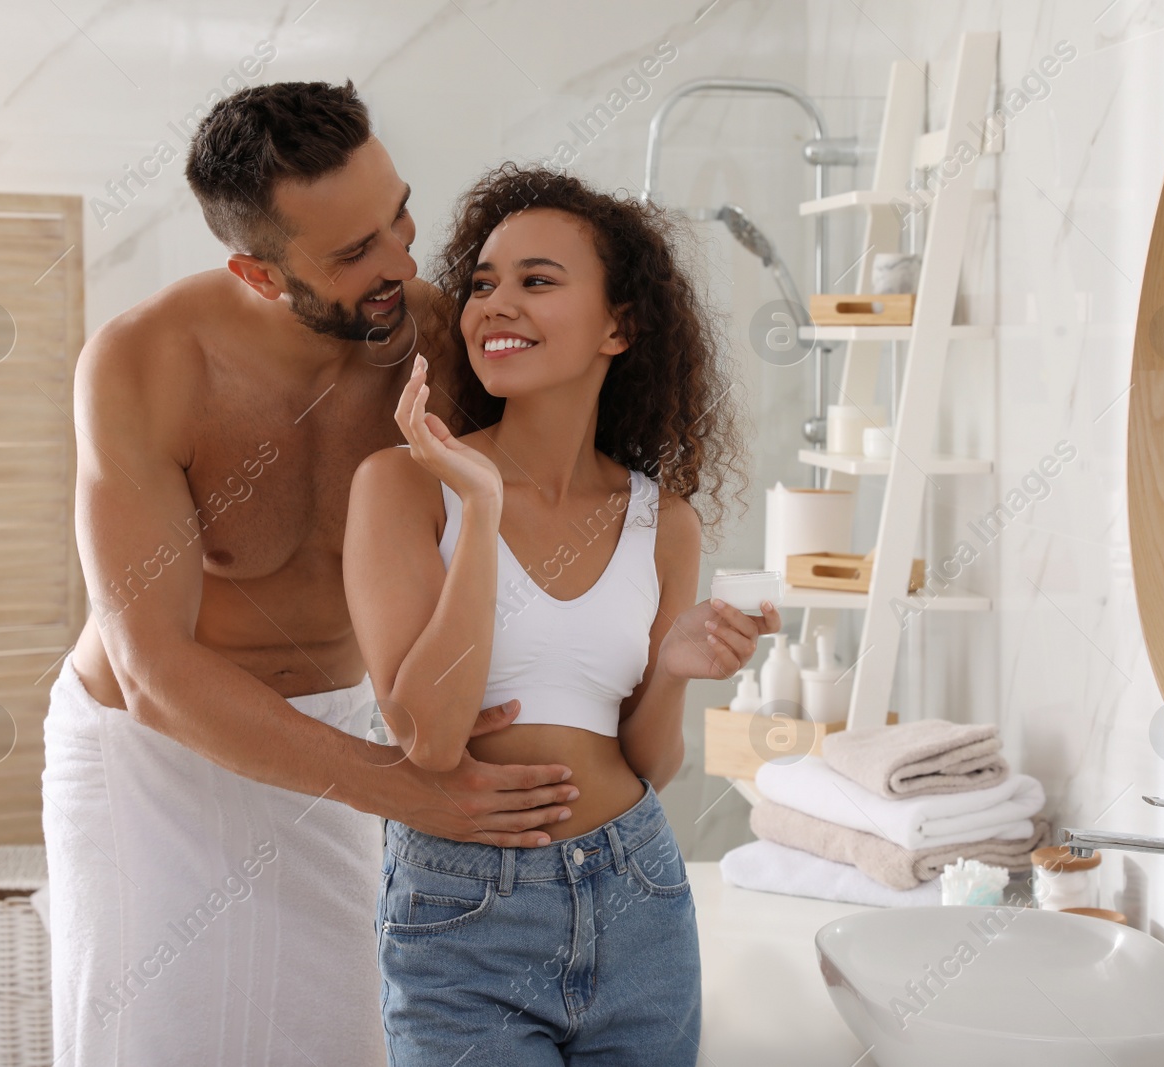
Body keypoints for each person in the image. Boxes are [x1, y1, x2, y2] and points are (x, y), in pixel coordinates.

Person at [42, 82, 581, 1066]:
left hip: (332, 729)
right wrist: (405, 788)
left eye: (398, 216)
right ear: (257, 271)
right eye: (351, 254)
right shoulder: (146, 363)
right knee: (152, 1041)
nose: (402, 263)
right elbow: (155, 671)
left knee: (343, 1036)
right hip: (147, 754)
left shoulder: (442, 349)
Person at [344, 163, 779, 1065]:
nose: (494, 305)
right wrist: (484, 506)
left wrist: (670, 669)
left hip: (638, 896)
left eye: (537, 282)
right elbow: (428, 733)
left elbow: (653, 762)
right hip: (466, 914)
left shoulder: (667, 522)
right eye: (482, 284)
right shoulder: (402, 486)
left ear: (618, 326)